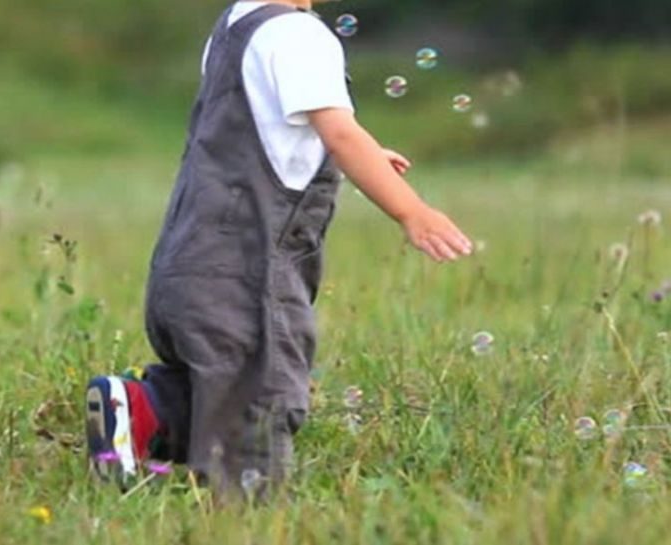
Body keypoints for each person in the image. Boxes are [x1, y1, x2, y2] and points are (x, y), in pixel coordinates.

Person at [85, 0, 472, 496]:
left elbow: (281, 125)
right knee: (259, 392)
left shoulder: (235, 27)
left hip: (189, 260)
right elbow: (339, 133)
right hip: (247, 270)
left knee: (216, 379)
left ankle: (140, 408)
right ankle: (246, 512)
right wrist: (411, 212)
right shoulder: (299, 35)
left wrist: (371, 154)